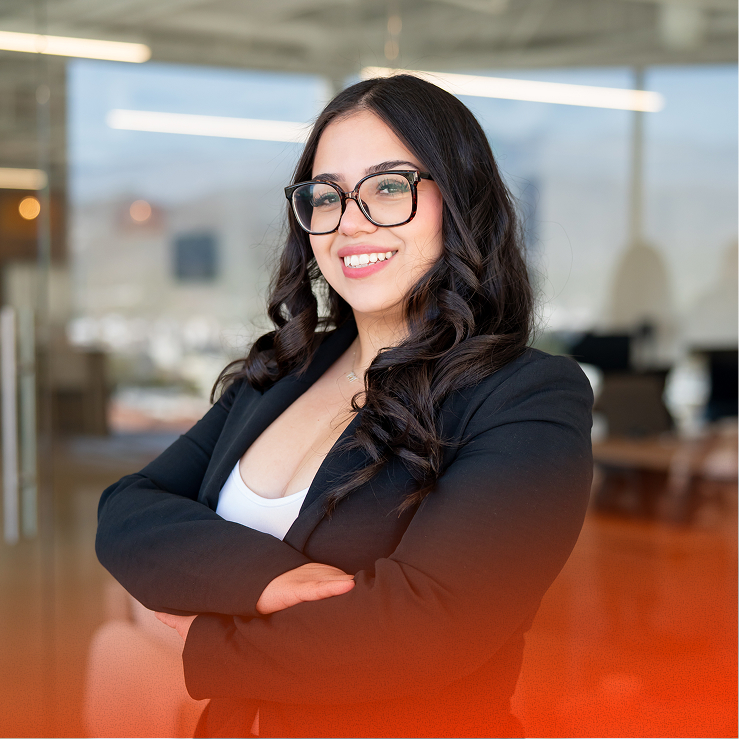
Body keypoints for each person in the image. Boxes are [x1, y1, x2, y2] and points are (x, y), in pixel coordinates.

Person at [95, 74, 593, 738]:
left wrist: (202, 645)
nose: (349, 222)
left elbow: (426, 630)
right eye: (325, 196)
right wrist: (273, 581)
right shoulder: (285, 368)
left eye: (389, 187)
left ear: (458, 199)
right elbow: (127, 512)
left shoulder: (524, 396)